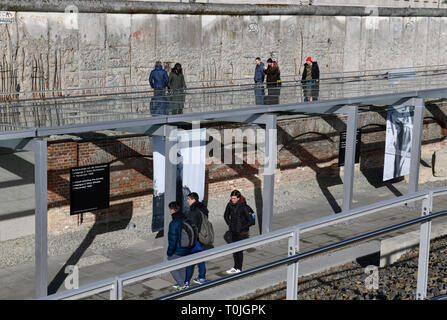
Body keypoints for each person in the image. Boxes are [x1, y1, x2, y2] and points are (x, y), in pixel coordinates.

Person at [223, 190, 254, 274]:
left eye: (234, 198)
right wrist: (230, 224)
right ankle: (235, 266)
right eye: (231, 198)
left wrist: (242, 228)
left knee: (239, 251)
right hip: (233, 231)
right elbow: (225, 215)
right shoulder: (230, 205)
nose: (232, 200)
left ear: (238, 198)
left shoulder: (244, 207)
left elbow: (251, 221)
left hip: (241, 233)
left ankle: (239, 268)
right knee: (234, 250)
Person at [185, 192, 209, 286]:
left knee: (190, 260)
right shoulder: (202, 208)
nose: (187, 201)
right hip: (202, 236)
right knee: (200, 257)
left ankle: (185, 282)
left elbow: (193, 227)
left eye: (188, 199)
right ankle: (202, 277)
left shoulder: (194, 211)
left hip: (195, 238)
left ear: (193, 200)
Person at [167, 201, 190, 290]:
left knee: (171, 264)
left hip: (178, 249)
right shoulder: (185, 218)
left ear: (172, 210)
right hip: (187, 247)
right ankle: (183, 282)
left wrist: (169, 252)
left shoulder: (174, 223)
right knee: (182, 265)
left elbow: (172, 240)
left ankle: (182, 285)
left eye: (170, 209)